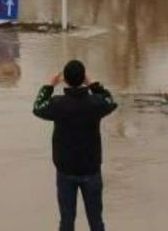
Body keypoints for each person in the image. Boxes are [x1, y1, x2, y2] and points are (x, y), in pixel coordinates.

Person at [32, 60, 118, 231]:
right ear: (83, 78)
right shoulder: (95, 103)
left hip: (65, 170)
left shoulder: (57, 104)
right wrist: (93, 84)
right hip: (91, 170)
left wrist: (49, 85)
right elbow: (111, 101)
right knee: (96, 221)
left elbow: (37, 107)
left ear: (65, 80)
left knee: (66, 221)